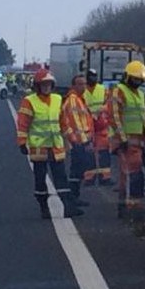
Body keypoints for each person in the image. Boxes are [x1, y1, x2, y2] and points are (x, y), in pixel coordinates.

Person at [16, 69, 84, 219]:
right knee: (40, 180)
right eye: (43, 84)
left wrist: (73, 139)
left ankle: (68, 207)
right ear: (37, 86)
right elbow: (23, 123)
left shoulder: (57, 99)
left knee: (61, 177)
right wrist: (22, 142)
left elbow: (63, 123)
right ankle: (44, 208)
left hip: (55, 147)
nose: (46, 87)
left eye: (49, 84)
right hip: (39, 148)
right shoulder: (29, 101)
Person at [108, 60, 145, 237]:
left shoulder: (140, 94)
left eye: (139, 80)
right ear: (127, 77)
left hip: (137, 142)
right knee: (134, 176)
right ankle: (135, 210)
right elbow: (114, 117)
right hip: (125, 142)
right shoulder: (119, 91)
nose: (137, 82)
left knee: (126, 176)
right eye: (134, 79)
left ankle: (124, 207)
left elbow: (143, 119)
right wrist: (122, 139)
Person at [62, 74, 94, 207]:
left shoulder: (79, 99)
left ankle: (74, 196)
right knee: (77, 170)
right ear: (73, 86)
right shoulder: (73, 100)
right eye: (80, 84)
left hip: (80, 140)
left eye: (85, 84)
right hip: (78, 141)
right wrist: (85, 142)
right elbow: (76, 123)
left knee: (79, 169)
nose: (83, 87)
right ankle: (73, 197)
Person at [83, 69, 114, 186]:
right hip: (87, 126)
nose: (93, 79)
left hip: (101, 125)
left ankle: (105, 177)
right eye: (91, 76)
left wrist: (101, 110)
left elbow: (109, 103)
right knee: (89, 153)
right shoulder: (83, 91)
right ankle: (89, 178)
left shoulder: (102, 89)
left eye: (94, 76)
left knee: (103, 152)